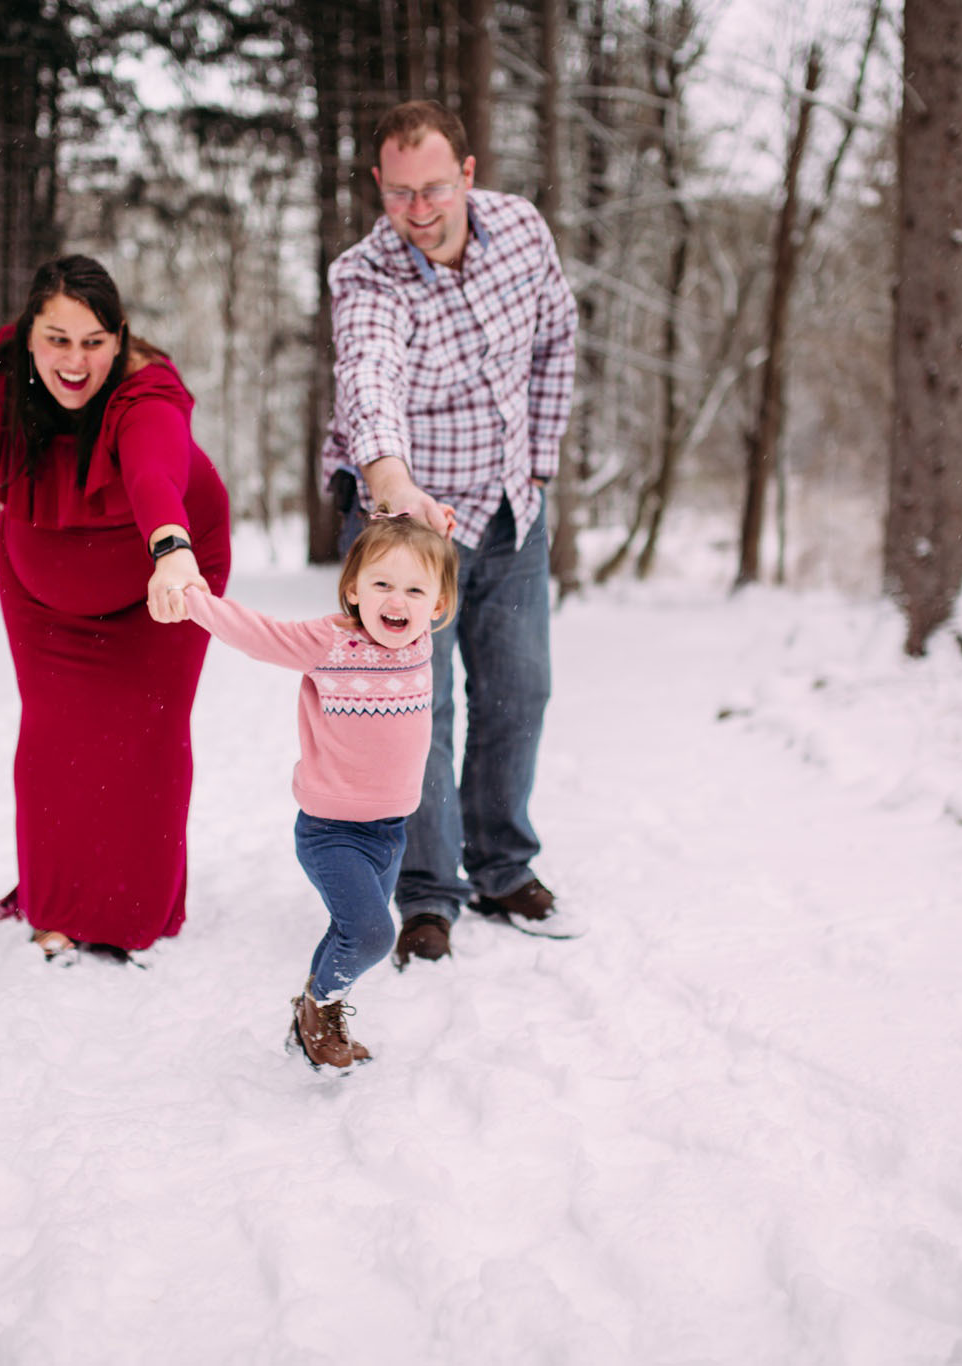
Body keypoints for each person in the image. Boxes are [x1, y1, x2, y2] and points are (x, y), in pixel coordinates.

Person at [320, 99, 579, 966]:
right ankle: (428, 891)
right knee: (418, 713)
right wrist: (389, 478)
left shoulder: (521, 232)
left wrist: (536, 464)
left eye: (434, 189)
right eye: (399, 194)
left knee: (520, 690)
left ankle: (504, 867)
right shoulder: (366, 275)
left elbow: (556, 341)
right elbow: (369, 371)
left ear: (467, 174)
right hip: (409, 528)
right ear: (378, 186)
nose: (419, 211)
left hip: (511, 507)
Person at [0, 254, 231, 962]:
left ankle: (131, 912)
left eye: (94, 342)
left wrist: (171, 549)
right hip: (42, 595)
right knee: (54, 739)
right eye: (58, 340)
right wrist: (16, 534)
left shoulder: (146, 393)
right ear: (27, 335)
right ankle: (58, 905)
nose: (75, 361)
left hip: (164, 581)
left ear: (120, 337)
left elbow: (154, 468)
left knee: (147, 736)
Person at [153, 515, 458, 1069]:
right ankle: (319, 1007)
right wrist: (195, 599)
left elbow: (427, 558)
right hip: (331, 831)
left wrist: (424, 518)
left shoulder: (422, 643)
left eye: (416, 590)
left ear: (438, 606)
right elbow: (258, 635)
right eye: (382, 584)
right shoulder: (331, 642)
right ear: (353, 590)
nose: (398, 600)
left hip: (391, 831)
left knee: (349, 928)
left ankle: (315, 1015)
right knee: (370, 934)